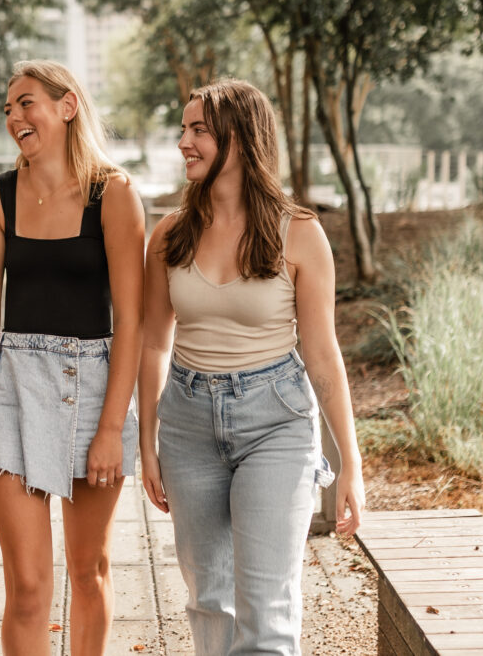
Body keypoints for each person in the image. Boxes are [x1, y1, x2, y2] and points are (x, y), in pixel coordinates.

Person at [138, 79, 365, 656]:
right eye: (183, 128)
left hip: (277, 422)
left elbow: (321, 355)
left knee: (266, 608)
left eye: (198, 130)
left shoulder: (300, 234)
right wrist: (148, 441)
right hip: (187, 422)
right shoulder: (168, 235)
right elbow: (153, 342)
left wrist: (352, 467)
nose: (183, 141)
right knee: (209, 598)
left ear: (238, 138)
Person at [0, 59, 145, 655]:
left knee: (88, 571)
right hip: (12, 388)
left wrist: (113, 428)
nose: (14, 116)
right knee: (28, 586)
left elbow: (133, 321)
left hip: (93, 389)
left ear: (67, 107)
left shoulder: (113, 194)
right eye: (9, 108)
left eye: (26, 102)